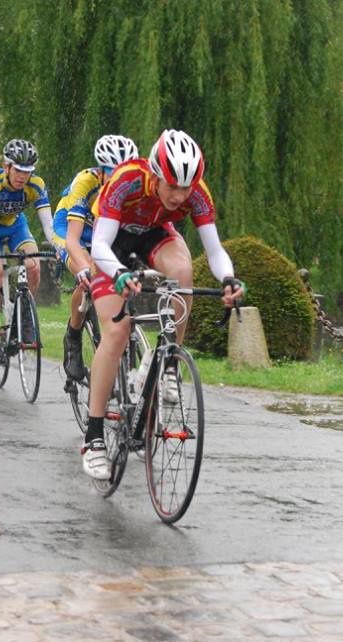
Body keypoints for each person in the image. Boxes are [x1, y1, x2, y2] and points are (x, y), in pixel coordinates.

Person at [80, 129, 243, 480]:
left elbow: (214, 251)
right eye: (171, 185)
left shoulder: (196, 193)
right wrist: (119, 274)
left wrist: (228, 279)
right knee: (117, 330)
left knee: (184, 270)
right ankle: (93, 437)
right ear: (154, 173)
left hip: (154, 234)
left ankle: (168, 361)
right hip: (113, 245)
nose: (179, 195)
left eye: (186, 187)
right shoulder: (126, 181)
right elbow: (99, 247)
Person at [51, 134, 138, 381]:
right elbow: (73, 239)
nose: (118, 178)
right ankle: (73, 337)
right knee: (87, 273)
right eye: (112, 172)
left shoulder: (132, 185)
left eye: (125, 171)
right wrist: (82, 267)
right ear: (101, 170)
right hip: (70, 230)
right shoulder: (85, 183)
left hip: (102, 230)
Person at [0, 139, 54, 365]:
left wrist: (61, 247)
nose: (22, 177)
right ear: (6, 166)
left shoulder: (36, 185)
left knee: (34, 265)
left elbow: (49, 226)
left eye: (27, 172)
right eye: (18, 170)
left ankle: (24, 318)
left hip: (17, 226)